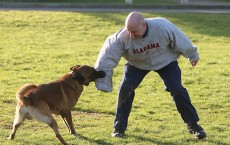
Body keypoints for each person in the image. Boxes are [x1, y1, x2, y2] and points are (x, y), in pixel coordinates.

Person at [94, 11, 206, 139]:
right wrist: (103, 82)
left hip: (166, 61)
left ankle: (193, 125)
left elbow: (180, 39)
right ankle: (119, 128)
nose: (131, 34)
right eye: (129, 31)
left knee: (176, 88)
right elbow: (106, 59)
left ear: (144, 25)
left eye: (134, 31)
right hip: (137, 64)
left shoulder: (162, 27)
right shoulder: (121, 38)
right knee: (125, 89)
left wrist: (192, 54)